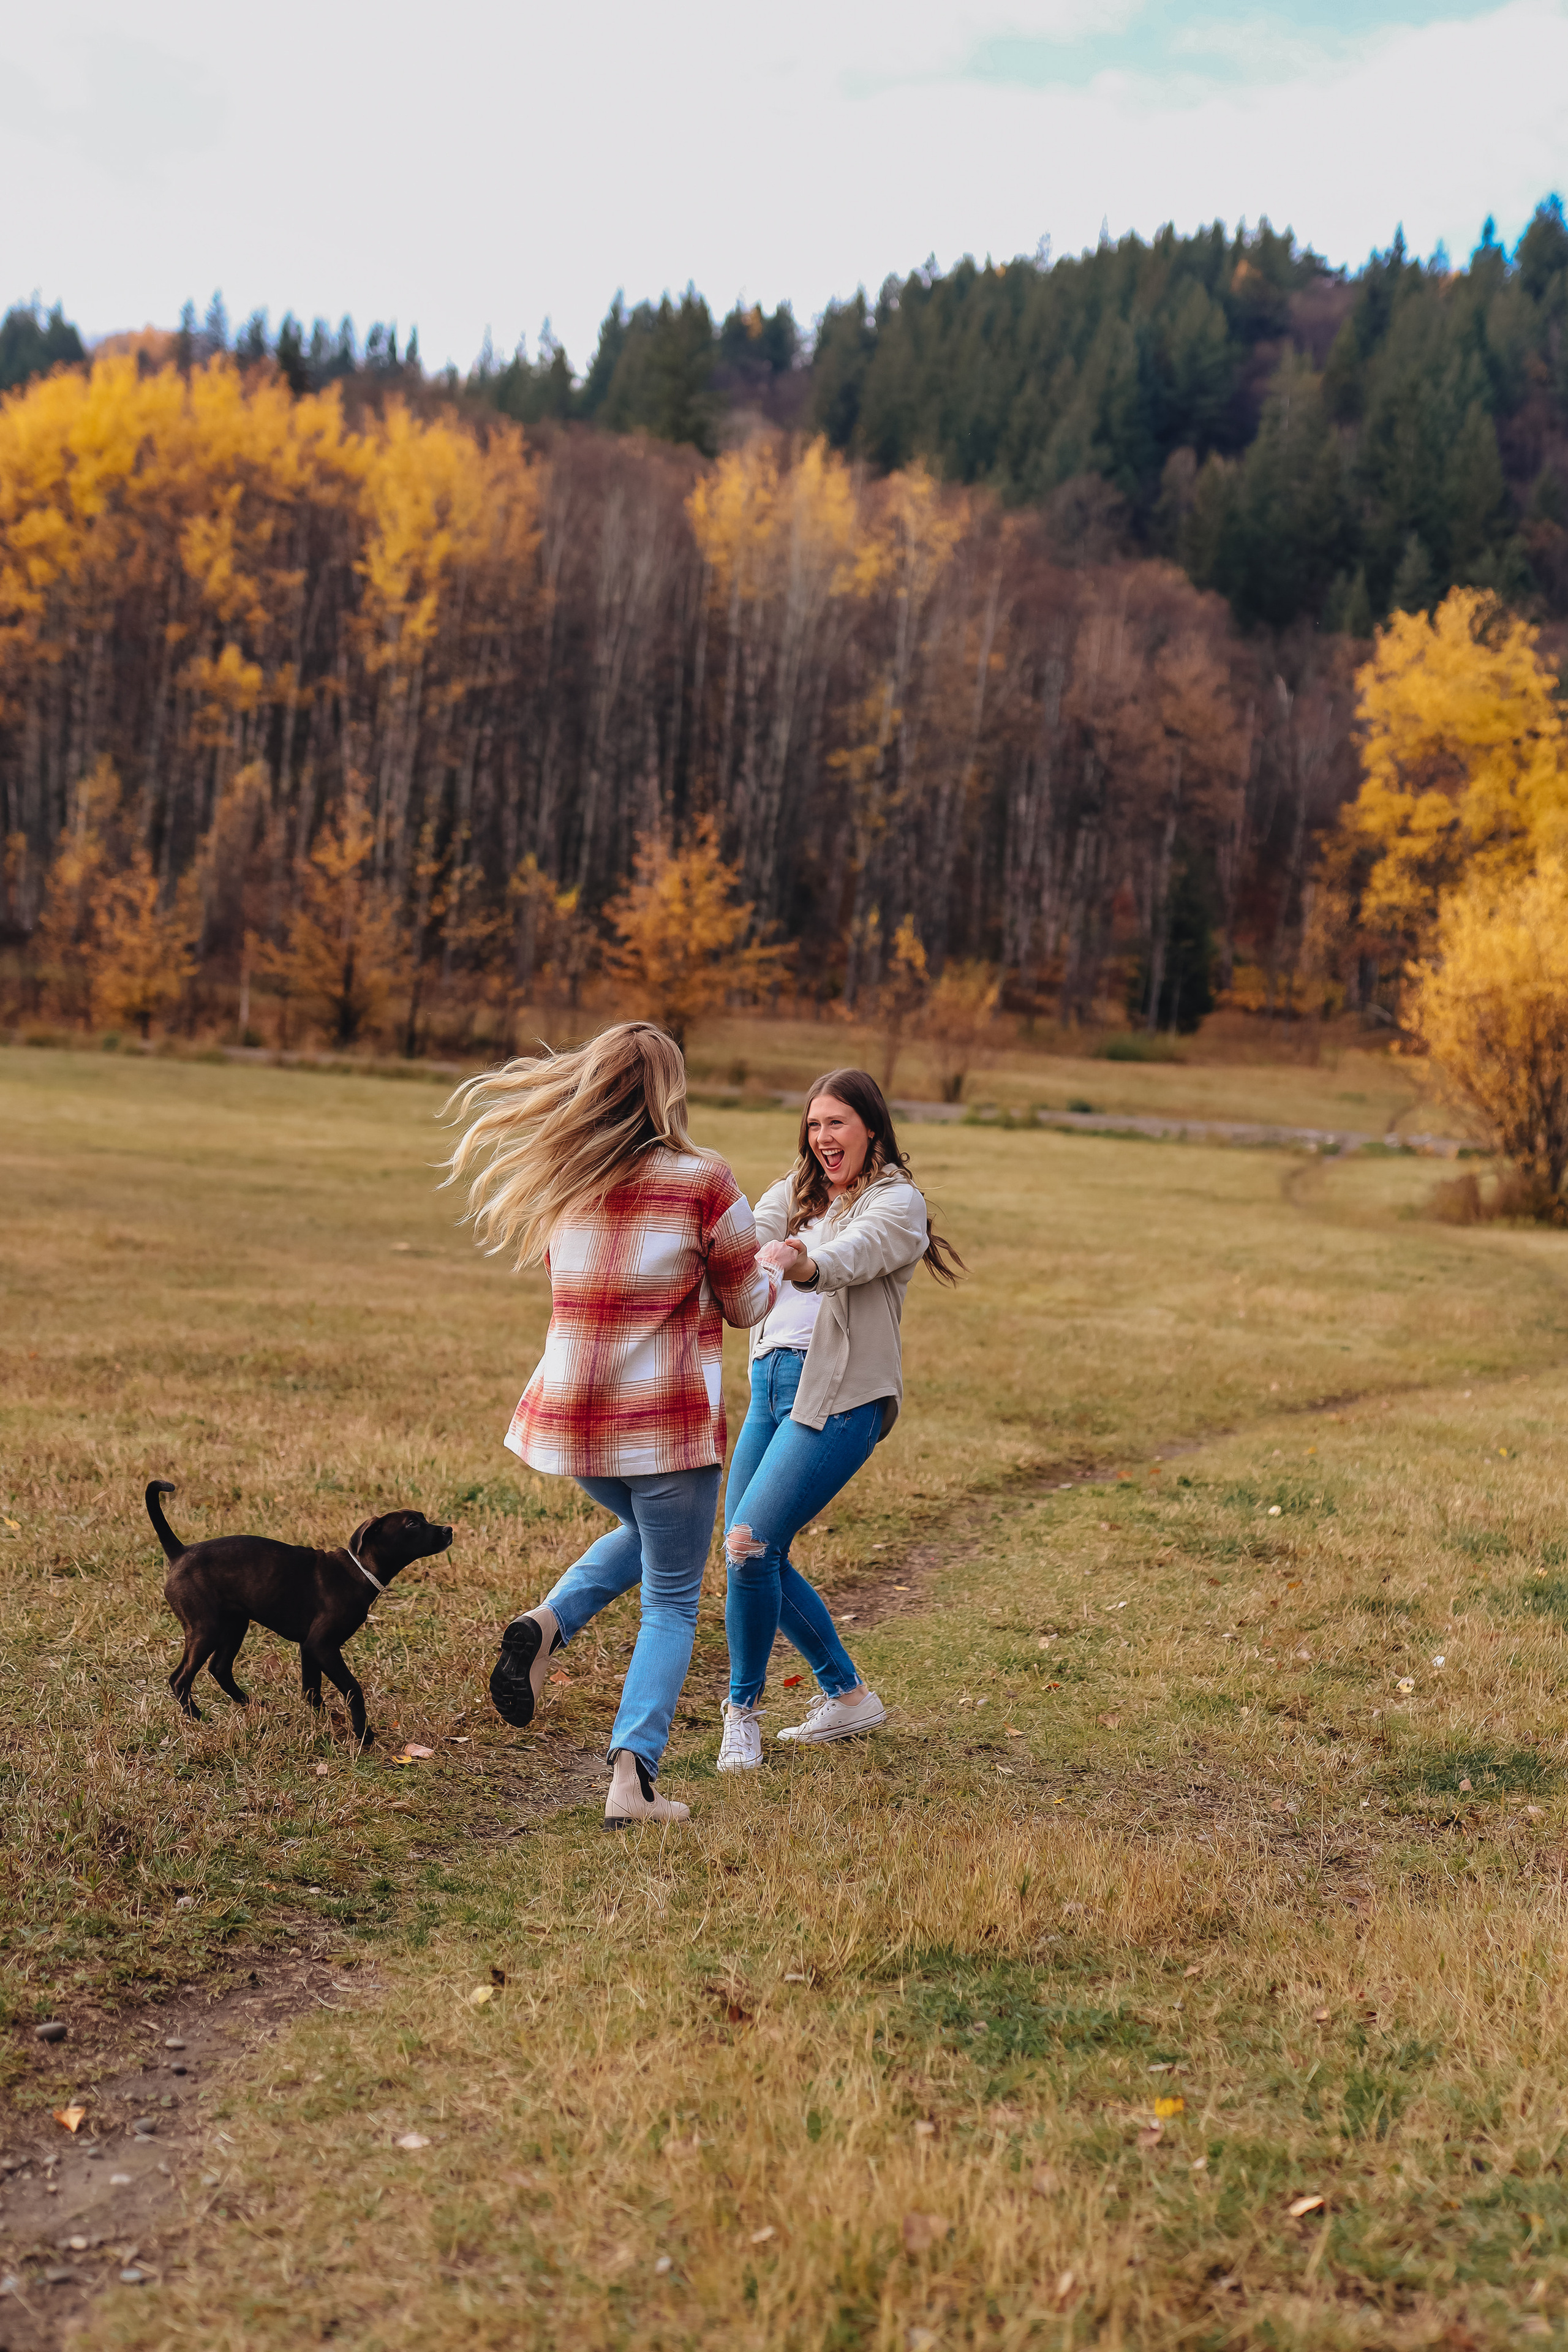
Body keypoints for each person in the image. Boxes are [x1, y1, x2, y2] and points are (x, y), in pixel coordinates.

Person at [444, 1023, 778, 1827]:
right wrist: (772, 1268)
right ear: (671, 1088)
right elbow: (744, 1307)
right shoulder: (705, 1182)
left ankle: (547, 1623)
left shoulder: (569, 1180)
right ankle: (633, 1783)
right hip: (663, 1428)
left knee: (655, 1542)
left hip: (578, 1424)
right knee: (672, 1598)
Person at [716, 1068, 963, 1771]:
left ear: (871, 1130)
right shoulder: (791, 1193)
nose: (823, 1138)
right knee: (750, 1555)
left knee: (749, 1543)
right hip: (769, 1387)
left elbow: (851, 1257)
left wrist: (800, 1259)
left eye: (837, 1124)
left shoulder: (898, 1204)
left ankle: (742, 1714)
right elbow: (746, 1233)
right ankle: (848, 1698)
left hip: (839, 1396)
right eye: (815, 1123)